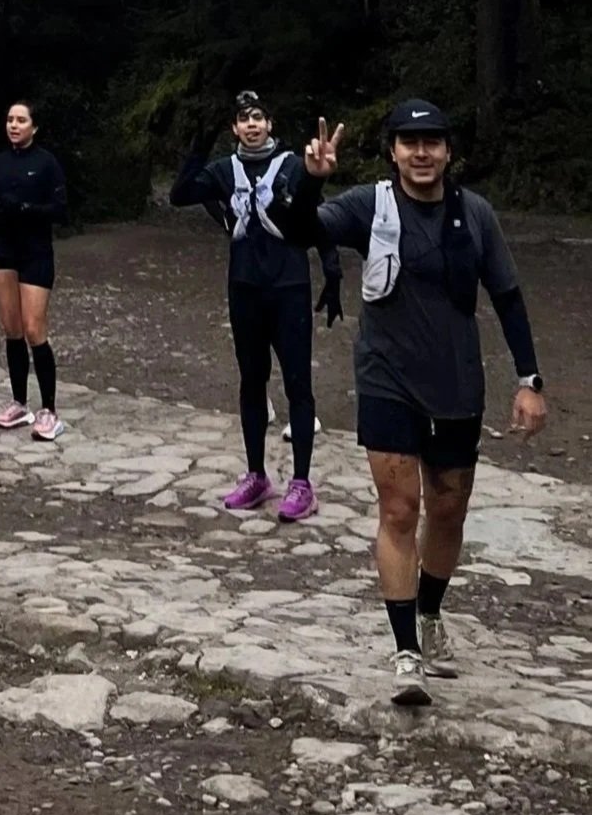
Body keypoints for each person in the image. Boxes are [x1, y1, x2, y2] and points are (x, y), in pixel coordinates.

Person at [276, 96, 546, 705]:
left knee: (447, 511)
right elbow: (297, 230)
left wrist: (529, 380)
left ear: (449, 152)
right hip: (385, 379)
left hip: (456, 384)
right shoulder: (371, 206)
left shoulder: (474, 214)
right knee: (400, 510)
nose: (421, 154)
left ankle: (429, 613)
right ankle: (405, 653)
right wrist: (307, 180)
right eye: (408, 143)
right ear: (393, 151)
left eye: (432, 143)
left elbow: (507, 294)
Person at [170, 89, 342, 522]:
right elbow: (180, 194)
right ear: (234, 128)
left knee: (298, 382)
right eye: (243, 119)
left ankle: (302, 482)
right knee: (252, 380)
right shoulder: (224, 170)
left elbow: (313, 218)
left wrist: (333, 274)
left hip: (289, 287)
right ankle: (256, 475)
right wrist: (198, 144)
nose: (251, 125)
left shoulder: (289, 165)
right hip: (245, 287)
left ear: (270, 125)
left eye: (259, 118)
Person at [0, 101, 68, 440]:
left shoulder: (46, 163)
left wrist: (28, 209)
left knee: (34, 328)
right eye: (9, 119)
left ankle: (49, 409)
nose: (14, 125)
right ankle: (19, 403)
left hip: (35, 252)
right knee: (12, 328)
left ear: (34, 126)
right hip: (4, 251)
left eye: (21, 120)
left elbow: (60, 210)